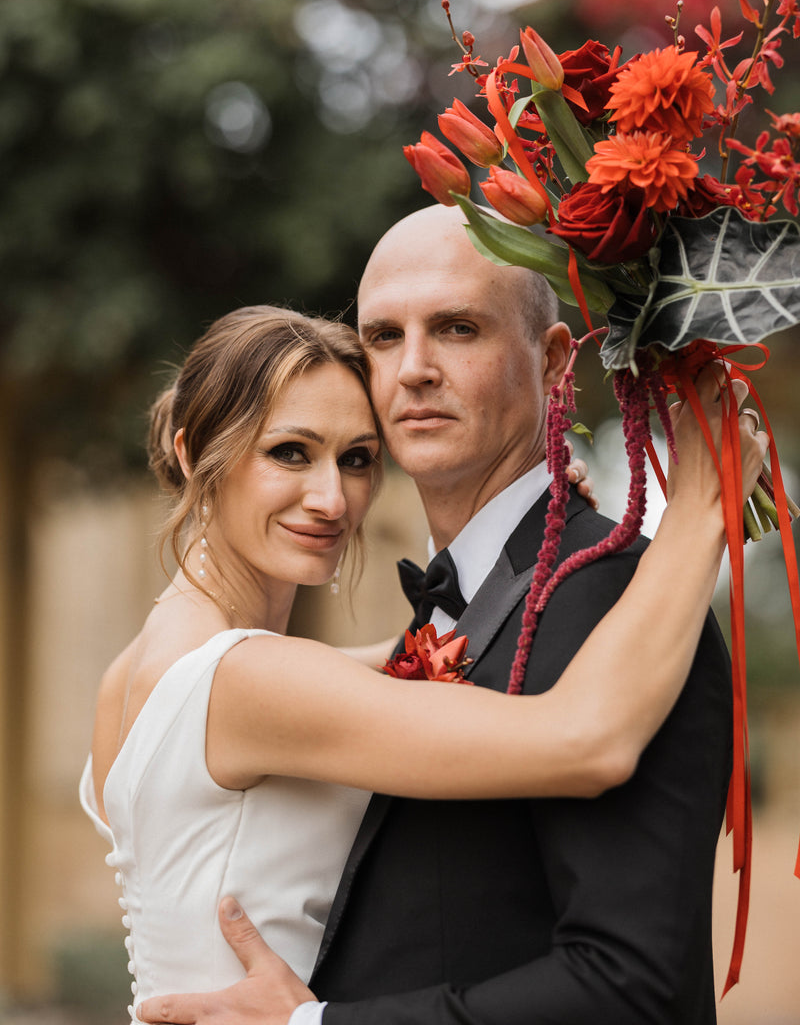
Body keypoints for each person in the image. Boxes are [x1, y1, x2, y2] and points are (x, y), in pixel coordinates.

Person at [135, 205, 769, 1025]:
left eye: (458, 328)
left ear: (549, 360)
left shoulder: (619, 600)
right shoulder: (383, 640)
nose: (415, 369)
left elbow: (627, 988)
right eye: (384, 336)